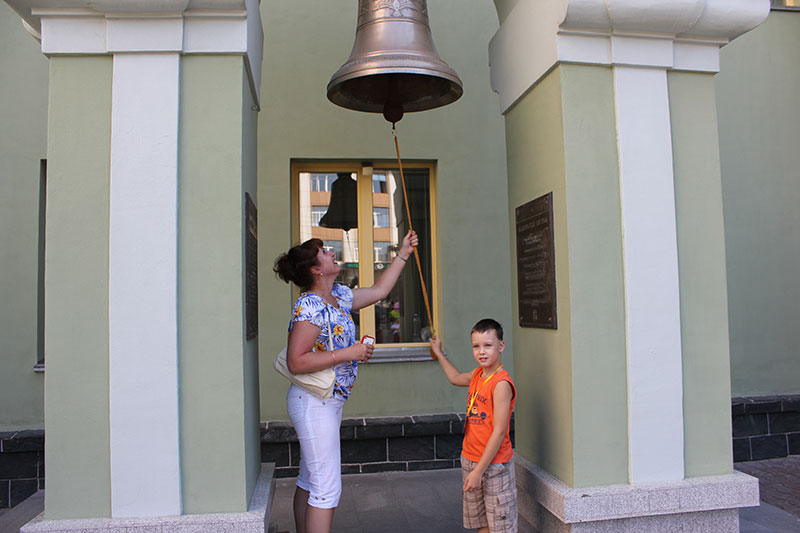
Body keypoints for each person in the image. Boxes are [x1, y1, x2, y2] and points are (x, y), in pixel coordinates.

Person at [273, 230, 418, 533]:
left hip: (328, 401)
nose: (331, 252)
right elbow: (296, 360)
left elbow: (379, 291)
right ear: (316, 269)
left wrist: (403, 253)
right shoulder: (309, 306)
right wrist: (348, 353)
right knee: (326, 489)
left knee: (310, 479)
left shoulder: (337, 295)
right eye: (324, 252)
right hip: (314, 402)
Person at [429, 319, 517, 533]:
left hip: (493, 466)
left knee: (500, 526)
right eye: (476, 346)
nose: (481, 351)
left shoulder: (501, 384)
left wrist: (479, 472)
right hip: (471, 459)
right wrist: (439, 353)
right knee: (482, 524)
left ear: (501, 346)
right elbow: (455, 377)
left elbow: (499, 432)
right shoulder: (478, 375)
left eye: (488, 345)